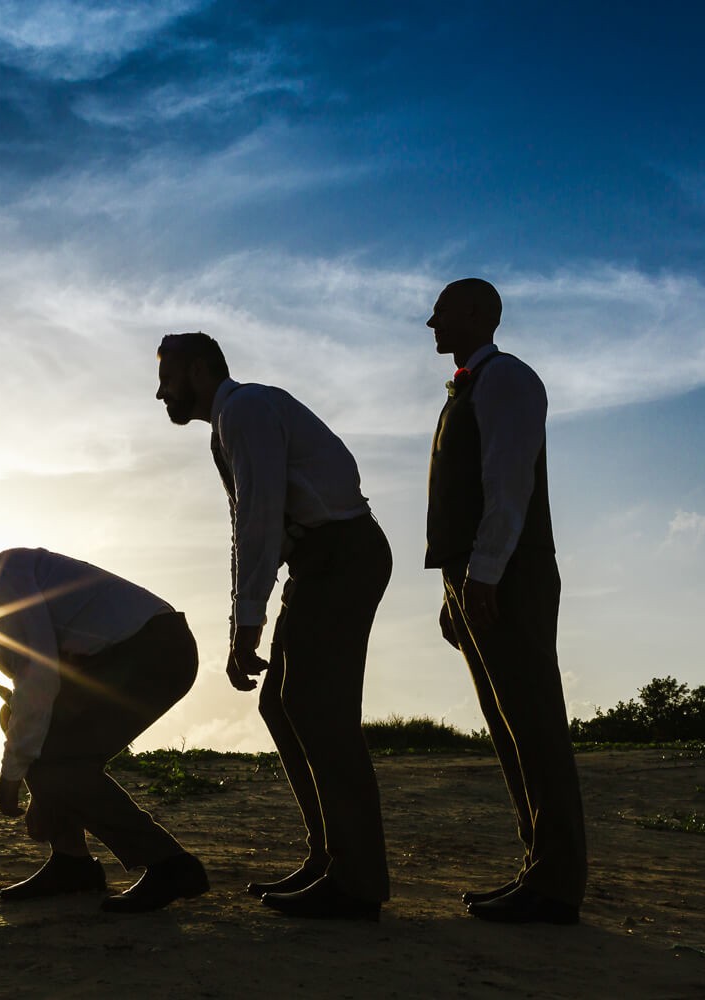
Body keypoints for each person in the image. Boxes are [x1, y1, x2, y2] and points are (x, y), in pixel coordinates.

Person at [155, 332, 391, 921]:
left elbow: (257, 521)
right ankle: (330, 858)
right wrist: (244, 619)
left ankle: (356, 879)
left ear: (201, 371)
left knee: (317, 709)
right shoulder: (231, 421)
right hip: (319, 558)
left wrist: (247, 622)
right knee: (282, 707)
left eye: (168, 376)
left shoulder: (246, 410)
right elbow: (250, 528)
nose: (160, 392)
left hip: (342, 553)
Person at [0, 516, 208, 914]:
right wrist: (40, 788)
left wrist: (14, 777)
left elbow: (38, 681)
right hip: (143, 651)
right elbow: (34, 691)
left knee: (56, 763)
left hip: (151, 651)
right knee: (25, 731)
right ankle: (71, 862)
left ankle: (169, 864)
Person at [425, 278, 587, 925]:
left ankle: (555, 883)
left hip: (508, 574)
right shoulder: (468, 386)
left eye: (441, 309)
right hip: (477, 576)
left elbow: (509, 480)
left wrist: (485, 573)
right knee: (508, 725)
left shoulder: (507, 379)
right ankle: (539, 872)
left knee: (535, 724)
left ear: (475, 313)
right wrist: (454, 590)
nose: (429, 320)